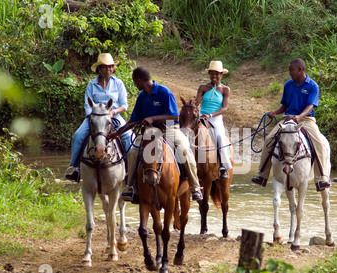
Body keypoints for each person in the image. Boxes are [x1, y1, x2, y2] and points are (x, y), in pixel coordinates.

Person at [113, 66, 203, 202]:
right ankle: (131, 187)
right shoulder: (142, 96)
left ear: (139, 80)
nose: (134, 84)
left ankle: (195, 186)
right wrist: (117, 133)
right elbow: (133, 120)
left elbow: (174, 116)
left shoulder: (164, 92)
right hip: (150, 132)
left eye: (134, 81)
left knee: (185, 150)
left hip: (169, 130)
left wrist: (153, 118)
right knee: (133, 152)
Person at [251, 58, 331, 191]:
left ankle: (321, 178)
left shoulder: (312, 86)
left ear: (300, 70)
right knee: (269, 140)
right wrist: (275, 112)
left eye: (291, 70)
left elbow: (310, 106)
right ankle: (262, 174)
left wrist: (299, 117)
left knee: (319, 143)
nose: (290, 73)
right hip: (287, 118)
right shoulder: (288, 85)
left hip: (306, 120)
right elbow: (284, 105)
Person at [65, 53, 133, 182]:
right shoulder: (91, 84)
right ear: (99, 69)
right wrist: (92, 116)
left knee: (129, 136)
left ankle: (129, 170)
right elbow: (87, 104)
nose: (108, 69)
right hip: (95, 117)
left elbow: (124, 105)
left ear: (113, 68)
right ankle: (75, 168)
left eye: (110, 67)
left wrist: (113, 112)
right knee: (78, 136)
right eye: (105, 67)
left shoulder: (118, 83)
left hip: (114, 116)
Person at [195, 61, 232, 179]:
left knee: (220, 137)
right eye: (212, 74)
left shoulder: (225, 90)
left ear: (221, 75)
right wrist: (196, 105)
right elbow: (197, 101)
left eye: (217, 74)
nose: (214, 76)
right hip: (201, 116)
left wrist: (210, 115)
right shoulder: (203, 87)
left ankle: (223, 167)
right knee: (187, 133)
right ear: (209, 74)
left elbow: (224, 108)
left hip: (215, 118)